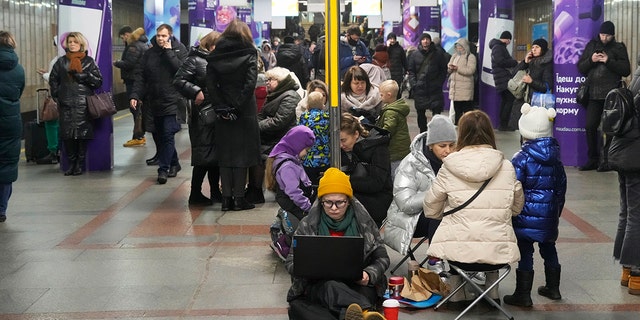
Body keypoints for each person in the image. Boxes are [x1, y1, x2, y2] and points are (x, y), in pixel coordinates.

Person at [423, 110, 524, 306]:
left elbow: (430, 208)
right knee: (491, 236)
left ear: (461, 135)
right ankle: (492, 293)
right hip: (497, 252)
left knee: (453, 236)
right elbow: (517, 207)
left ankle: (457, 296)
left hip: (458, 255)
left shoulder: (449, 166)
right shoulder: (506, 166)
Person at [285, 167, 390, 319]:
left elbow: (382, 258)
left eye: (340, 202)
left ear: (349, 201)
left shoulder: (364, 223)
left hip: (357, 285)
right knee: (330, 286)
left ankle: (354, 313)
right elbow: (290, 261)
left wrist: (368, 274)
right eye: (328, 202)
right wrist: (308, 270)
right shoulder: (308, 225)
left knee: (310, 310)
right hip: (320, 284)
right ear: (321, 202)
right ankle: (365, 313)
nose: (334, 208)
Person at [504, 104, 567, 307]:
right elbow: (561, 188)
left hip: (524, 215)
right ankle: (553, 288)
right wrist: (556, 211)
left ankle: (523, 294)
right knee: (549, 248)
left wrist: (512, 212)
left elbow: (514, 187)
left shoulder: (521, 158)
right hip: (549, 214)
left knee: (525, 252)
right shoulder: (556, 159)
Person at [206, 19, 261, 211]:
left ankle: (226, 199)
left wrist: (221, 107)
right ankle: (239, 198)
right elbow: (250, 83)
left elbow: (211, 85)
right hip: (244, 110)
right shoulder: (250, 53)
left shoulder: (214, 55)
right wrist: (237, 107)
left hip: (222, 111)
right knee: (242, 155)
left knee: (226, 155)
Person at [385, 115, 457, 259]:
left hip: (448, 215)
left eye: (452, 145)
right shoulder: (410, 163)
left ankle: (463, 265)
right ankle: (435, 260)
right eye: (442, 146)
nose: (448, 151)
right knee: (439, 213)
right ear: (430, 145)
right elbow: (405, 204)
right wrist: (437, 193)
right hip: (410, 219)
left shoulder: (456, 161)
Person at [130, 24, 187, 184]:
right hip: (153, 101)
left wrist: (169, 52)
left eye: (164, 35)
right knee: (159, 135)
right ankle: (174, 163)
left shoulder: (179, 50)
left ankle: (163, 169)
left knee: (168, 134)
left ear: (170, 35)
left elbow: (182, 70)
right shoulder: (149, 53)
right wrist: (135, 94)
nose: (160, 38)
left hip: (172, 100)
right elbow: (141, 76)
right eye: (158, 35)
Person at [173, 31, 222, 205]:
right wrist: (196, 91)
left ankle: (216, 191)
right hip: (202, 115)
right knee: (203, 155)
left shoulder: (216, 60)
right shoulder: (194, 59)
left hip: (215, 113)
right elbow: (178, 81)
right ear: (210, 44)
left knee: (215, 155)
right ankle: (195, 193)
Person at [577, 21, 631, 171]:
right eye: (602, 34)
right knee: (590, 126)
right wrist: (591, 60)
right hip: (593, 94)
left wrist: (608, 61)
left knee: (611, 129)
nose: (604, 37)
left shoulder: (619, 47)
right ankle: (592, 159)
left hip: (612, 95)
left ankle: (607, 160)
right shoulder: (592, 46)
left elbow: (626, 70)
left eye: (607, 35)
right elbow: (581, 67)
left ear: (612, 35)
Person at [607, 54, 640, 296]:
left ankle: (626, 269)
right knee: (637, 215)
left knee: (626, 210)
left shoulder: (637, 75)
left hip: (621, 150)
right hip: (634, 153)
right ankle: (637, 274)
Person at [49, 32, 103, 176]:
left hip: (83, 104)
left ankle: (79, 164)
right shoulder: (61, 62)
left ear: (80, 44)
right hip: (66, 103)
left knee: (82, 135)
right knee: (67, 136)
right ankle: (71, 163)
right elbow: (53, 79)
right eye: (70, 42)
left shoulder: (89, 61)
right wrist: (56, 93)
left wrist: (85, 76)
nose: (72, 44)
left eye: (75, 42)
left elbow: (98, 81)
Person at [246, 67, 301, 205]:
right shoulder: (276, 94)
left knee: (259, 154)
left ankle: (256, 191)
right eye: (267, 80)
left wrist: (256, 126)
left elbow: (279, 121)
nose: (267, 83)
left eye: (271, 79)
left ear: (281, 81)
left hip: (282, 138)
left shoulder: (290, 96)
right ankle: (254, 189)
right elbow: (262, 115)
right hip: (272, 136)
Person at [265, 126, 315, 261]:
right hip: (294, 201)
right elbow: (294, 192)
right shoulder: (287, 166)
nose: (307, 153)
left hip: (295, 199)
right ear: (297, 145)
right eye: (306, 149)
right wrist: (308, 208)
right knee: (307, 224)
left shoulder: (291, 160)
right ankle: (285, 243)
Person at [340, 113, 392, 228]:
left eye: (344, 140)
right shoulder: (344, 151)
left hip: (376, 201)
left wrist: (346, 181)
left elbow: (377, 183)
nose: (341, 145)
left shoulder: (378, 148)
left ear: (356, 134)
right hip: (355, 197)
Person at [0, 30, 25, 223]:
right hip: (10, 122)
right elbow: (19, 91)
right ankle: (1, 210)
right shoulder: (18, 69)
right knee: (7, 165)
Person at [114, 26, 149, 148]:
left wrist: (116, 62)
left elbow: (129, 64)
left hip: (133, 80)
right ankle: (140, 134)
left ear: (127, 34)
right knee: (139, 109)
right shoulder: (144, 44)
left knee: (135, 109)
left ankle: (138, 135)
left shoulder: (134, 46)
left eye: (123, 36)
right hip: (141, 81)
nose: (123, 39)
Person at [407, 33, 447, 132]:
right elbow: (411, 71)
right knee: (420, 113)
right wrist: (414, 84)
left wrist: (439, 83)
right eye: (423, 39)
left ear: (430, 41)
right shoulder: (414, 55)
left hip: (434, 89)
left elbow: (443, 70)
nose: (425, 41)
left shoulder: (438, 54)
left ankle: (435, 133)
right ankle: (423, 133)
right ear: (420, 41)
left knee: (436, 114)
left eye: (427, 39)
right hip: (420, 89)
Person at [376, 80, 410, 179]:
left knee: (395, 173)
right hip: (401, 147)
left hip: (395, 149)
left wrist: (378, 133)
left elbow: (388, 129)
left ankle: (395, 190)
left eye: (381, 95)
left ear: (389, 95)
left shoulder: (391, 112)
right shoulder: (395, 107)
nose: (380, 97)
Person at [36, 37, 61, 164]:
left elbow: (53, 79)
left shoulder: (56, 60)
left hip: (57, 97)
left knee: (51, 122)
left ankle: (53, 152)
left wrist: (44, 75)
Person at [298, 91, 330, 187]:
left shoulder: (304, 117)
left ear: (308, 105)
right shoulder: (327, 116)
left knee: (310, 184)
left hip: (309, 159)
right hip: (325, 158)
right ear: (323, 105)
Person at [490, 31, 518, 131]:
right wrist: (514, 62)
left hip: (500, 78)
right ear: (507, 39)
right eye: (509, 40)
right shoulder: (498, 47)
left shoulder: (497, 47)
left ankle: (503, 124)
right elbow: (501, 61)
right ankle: (504, 124)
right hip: (503, 78)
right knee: (509, 100)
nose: (509, 43)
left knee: (506, 100)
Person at [514, 38, 553, 104]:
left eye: (537, 47)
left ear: (543, 49)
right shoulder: (530, 61)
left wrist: (531, 82)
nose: (534, 50)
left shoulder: (546, 64)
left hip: (537, 102)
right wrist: (525, 62)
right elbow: (514, 74)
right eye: (532, 47)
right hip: (524, 98)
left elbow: (546, 87)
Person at [447, 37, 477, 125]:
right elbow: (449, 69)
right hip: (455, 89)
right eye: (457, 47)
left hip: (465, 89)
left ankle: (468, 129)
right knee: (457, 113)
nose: (459, 48)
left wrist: (458, 68)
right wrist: (450, 68)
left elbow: (470, 70)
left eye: (460, 47)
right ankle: (458, 128)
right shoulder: (454, 56)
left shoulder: (470, 57)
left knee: (468, 113)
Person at [386, 32, 407, 100]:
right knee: (388, 89)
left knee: (397, 89)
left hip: (398, 72)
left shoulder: (400, 49)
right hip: (388, 72)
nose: (392, 40)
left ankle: (397, 101)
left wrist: (406, 70)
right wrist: (387, 47)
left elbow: (404, 60)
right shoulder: (386, 48)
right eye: (390, 39)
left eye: (393, 39)